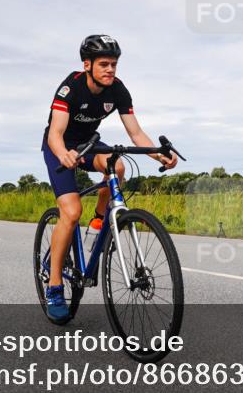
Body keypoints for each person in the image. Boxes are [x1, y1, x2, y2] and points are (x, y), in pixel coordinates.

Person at [41, 34, 177, 322]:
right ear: (87, 64)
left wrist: (159, 156)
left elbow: (136, 134)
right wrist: (64, 154)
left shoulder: (117, 90)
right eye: (104, 64)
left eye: (114, 64)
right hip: (59, 149)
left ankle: (99, 222)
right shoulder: (71, 87)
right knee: (71, 211)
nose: (110, 70)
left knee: (117, 168)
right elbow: (55, 133)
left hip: (88, 145)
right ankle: (54, 286)